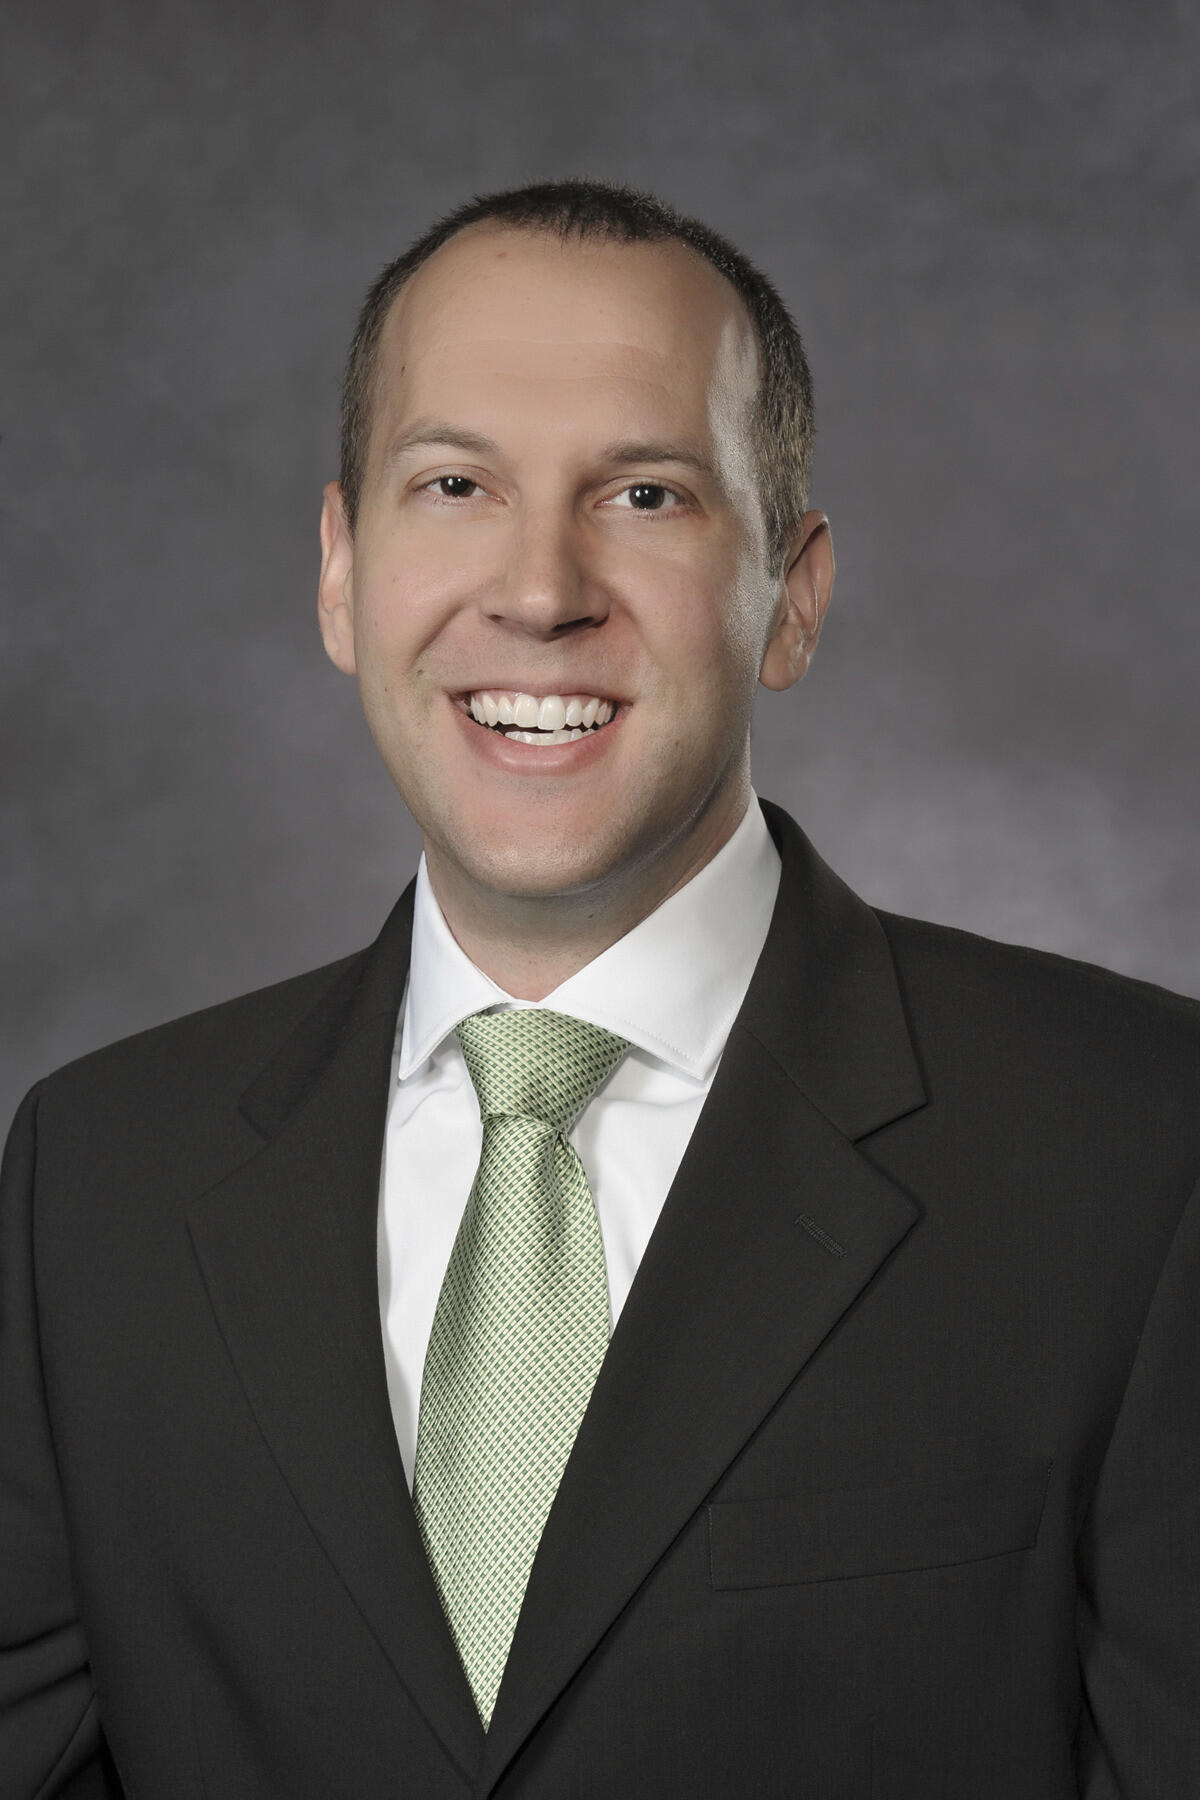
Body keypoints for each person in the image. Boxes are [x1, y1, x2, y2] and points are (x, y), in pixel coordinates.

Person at [2, 179, 1197, 1800]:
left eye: (643, 494)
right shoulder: (93, 1183)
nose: (539, 588)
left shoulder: (1137, 1149)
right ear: (343, 575)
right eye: (453, 484)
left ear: (796, 592)